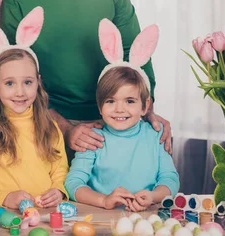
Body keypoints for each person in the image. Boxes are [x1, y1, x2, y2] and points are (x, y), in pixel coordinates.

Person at [0, 0, 172, 157]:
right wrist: (66, 129)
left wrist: (148, 110)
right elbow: (13, 82)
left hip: (114, 121)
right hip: (48, 126)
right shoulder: (17, 1)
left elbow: (134, 50)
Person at [64, 20, 179, 211]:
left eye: (130, 101)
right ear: (100, 107)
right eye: (110, 101)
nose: (119, 109)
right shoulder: (93, 138)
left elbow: (170, 179)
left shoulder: (155, 136)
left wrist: (153, 196)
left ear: (145, 106)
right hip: (101, 220)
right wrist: (103, 200)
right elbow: (73, 183)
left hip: (145, 219)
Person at [0, 7, 69, 209]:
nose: (20, 92)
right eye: (10, 83)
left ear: (38, 82)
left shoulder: (50, 126)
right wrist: (5, 198)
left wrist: (59, 191)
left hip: (45, 217)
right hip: (5, 218)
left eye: (27, 82)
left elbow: (59, 170)